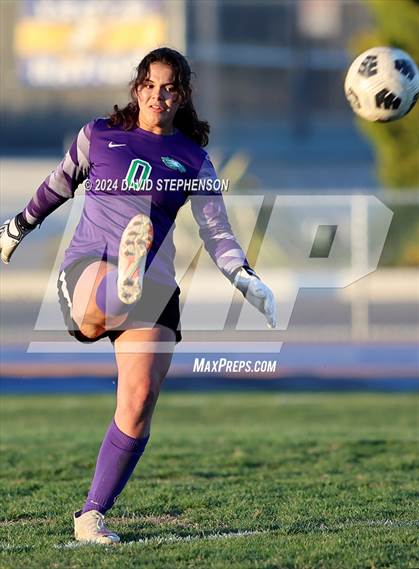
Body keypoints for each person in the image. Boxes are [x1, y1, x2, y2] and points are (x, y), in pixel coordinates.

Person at [0, 47, 276, 544]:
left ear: (183, 95)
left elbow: (217, 232)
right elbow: (57, 186)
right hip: (90, 265)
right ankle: (122, 281)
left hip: (155, 285)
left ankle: (91, 515)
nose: (157, 95)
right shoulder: (99, 136)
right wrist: (17, 227)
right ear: (137, 89)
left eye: (168, 87)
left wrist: (244, 275)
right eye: (148, 85)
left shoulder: (194, 159)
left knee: (140, 399)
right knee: (94, 316)